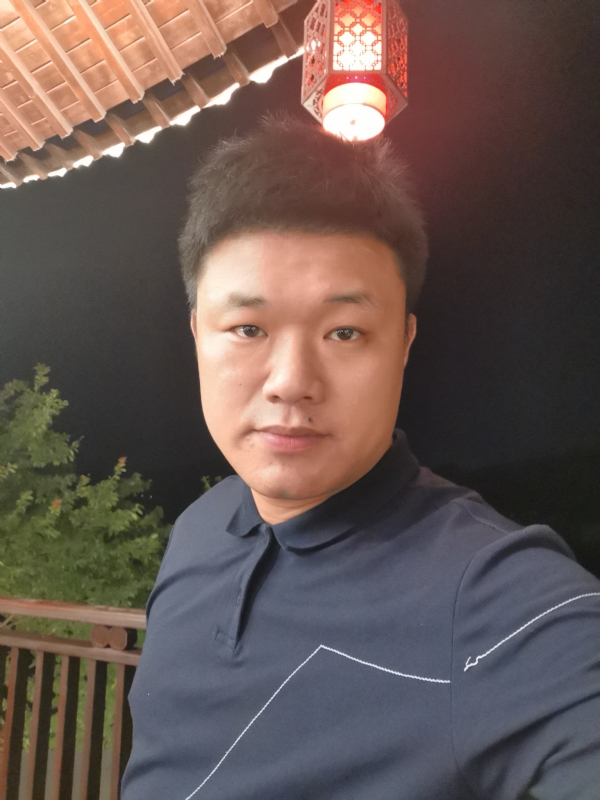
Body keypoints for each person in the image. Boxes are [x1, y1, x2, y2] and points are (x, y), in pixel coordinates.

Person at [121, 115, 600, 800]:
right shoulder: (199, 528)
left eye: (344, 332)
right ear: (198, 333)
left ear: (403, 343)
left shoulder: (491, 597)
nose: (291, 381)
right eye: (248, 328)